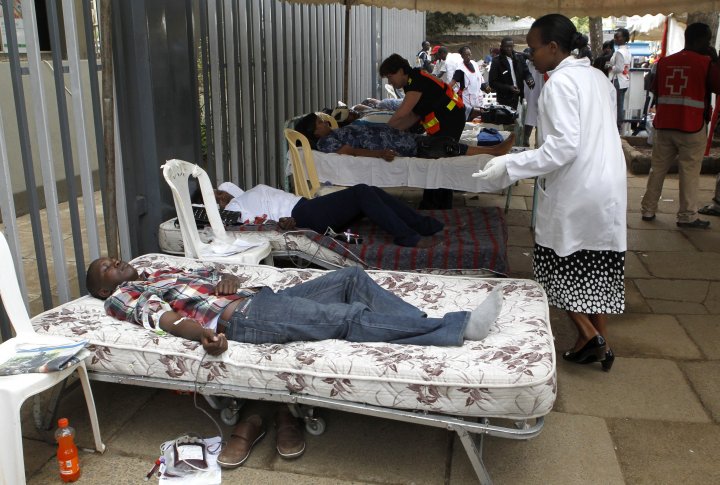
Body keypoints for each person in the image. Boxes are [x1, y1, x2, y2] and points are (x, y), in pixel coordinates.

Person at [86, 261, 502, 467]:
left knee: (351, 279)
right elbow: (166, 320)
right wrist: (202, 335)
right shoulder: (121, 297)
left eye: (111, 257)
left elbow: (212, 276)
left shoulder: (162, 268)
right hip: (246, 320)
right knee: (347, 318)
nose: (114, 262)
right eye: (105, 267)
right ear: (104, 286)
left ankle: (418, 324)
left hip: (258, 297)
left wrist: (223, 281)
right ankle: (458, 329)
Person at [473, 14, 627, 372]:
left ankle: (591, 335)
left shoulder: (559, 84)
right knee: (595, 267)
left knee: (556, 265)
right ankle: (592, 340)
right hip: (608, 180)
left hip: (579, 184)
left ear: (554, 48)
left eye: (533, 48)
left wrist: (510, 165)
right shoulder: (597, 77)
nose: (530, 55)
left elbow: (562, 148)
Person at [640, 23, 720, 229]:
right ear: (701, 40)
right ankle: (686, 216)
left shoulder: (665, 62)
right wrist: (716, 60)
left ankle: (648, 209)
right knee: (689, 172)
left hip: (665, 124)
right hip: (691, 126)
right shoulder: (705, 63)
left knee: (657, 169)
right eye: (708, 40)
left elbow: (653, 88)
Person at [213, 181, 446, 248]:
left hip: (308, 206)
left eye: (218, 192)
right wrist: (280, 224)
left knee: (370, 192)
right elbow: (250, 228)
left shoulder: (240, 194)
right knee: (362, 192)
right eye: (214, 198)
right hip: (303, 215)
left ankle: (421, 224)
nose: (219, 196)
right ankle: (407, 235)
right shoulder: (234, 208)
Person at [380, 53, 469, 210]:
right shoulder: (411, 83)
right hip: (444, 119)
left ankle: (438, 204)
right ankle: (431, 201)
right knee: (433, 158)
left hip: (451, 118)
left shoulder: (416, 81)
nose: (390, 82)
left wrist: (384, 130)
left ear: (401, 70)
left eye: (390, 76)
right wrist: (395, 129)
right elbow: (415, 115)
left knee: (440, 157)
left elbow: (402, 113)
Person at [294, 112, 515, 160]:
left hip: (407, 140)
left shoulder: (335, 132)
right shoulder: (327, 142)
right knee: (448, 147)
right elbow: (350, 152)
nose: (324, 123)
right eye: (320, 123)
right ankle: (493, 150)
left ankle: (492, 149)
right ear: (313, 133)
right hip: (407, 149)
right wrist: (381, 153)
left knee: (446, 141)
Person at [488, 37, 535, 110]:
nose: (509, 49)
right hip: (504, 99)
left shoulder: (519, 58)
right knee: (507, 120)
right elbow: (492, 82)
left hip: (520, 97)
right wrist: (509, 88)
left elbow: (526, 73)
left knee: (520, 119)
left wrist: (529, 78)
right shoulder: (497, 61)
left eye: (511, 46)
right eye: (506, 46)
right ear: (502, 47)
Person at [449, 46, 489, 112]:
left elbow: (478, 76)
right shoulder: (460, 69)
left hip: (477, 96)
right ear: (462, 56)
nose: (468, 57)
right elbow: (452, 82)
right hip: (466, 98)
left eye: (469, 54)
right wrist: (444, 90)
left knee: (478, 117)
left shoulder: (474, 63)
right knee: (468, 116)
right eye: (466, 55)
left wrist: (484, 86)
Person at [607, 28, 631, 132]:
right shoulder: (627, 51)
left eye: (618, 36)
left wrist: (609, 66)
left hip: (618, 80)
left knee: (617, 104)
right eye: (615, 36)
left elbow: (619, 68)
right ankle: (617, 126)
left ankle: (617, 126)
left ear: (624, 38)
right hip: (624, 80)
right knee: (619, 104)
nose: (615, 39)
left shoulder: (619, 52)